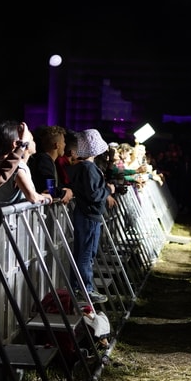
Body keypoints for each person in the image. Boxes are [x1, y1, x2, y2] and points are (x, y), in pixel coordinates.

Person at [68, 129, 117, 304]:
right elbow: (94, 194)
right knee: (86, 254)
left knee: (82, 252)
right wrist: (108, 190)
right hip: (90, 215)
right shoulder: (89, 168)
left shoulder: (79, 168)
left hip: (84, 213)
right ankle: (85, 290)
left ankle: (77, 287)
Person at [0, 120, 53, 207]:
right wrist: (45, 198)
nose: (34, 142)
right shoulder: (17, 167)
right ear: (16, 144)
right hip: (12, 219)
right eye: (30, 139)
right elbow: (32, 197)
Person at [30, 125, 74, 205]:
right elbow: (49, 188)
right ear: (56, 145)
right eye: (63, 142)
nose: (65, 145)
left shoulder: (47, 160)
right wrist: (64, 193)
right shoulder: (44, 160)